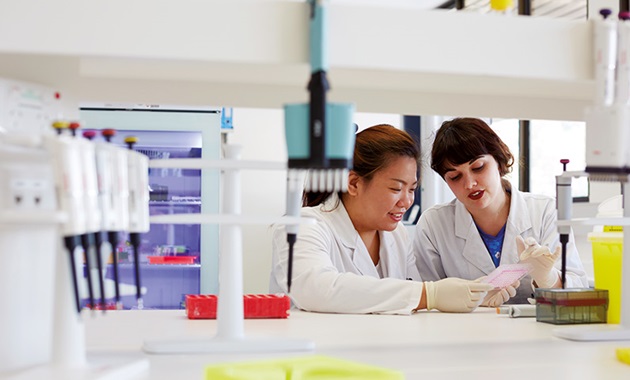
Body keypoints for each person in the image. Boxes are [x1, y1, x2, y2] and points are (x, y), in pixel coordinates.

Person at [269, 124, 493, 315]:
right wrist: (429, 294)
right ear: (354, 183)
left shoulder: (396, 234)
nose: (406, 202)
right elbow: (316, 290)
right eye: (396, 188)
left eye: (412, 189)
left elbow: (410, 301)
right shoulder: (304, 226)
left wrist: (474, 296)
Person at [414, 117, 589, 306]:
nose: (470, 184)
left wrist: (549, 279)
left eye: (478, 167)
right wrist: (467, 301)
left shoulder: (544, 211)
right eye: (455, 177)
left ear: (498, 161)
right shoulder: (433, 225)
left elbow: (580, 295)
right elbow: (424, 300)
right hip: (463, 333)